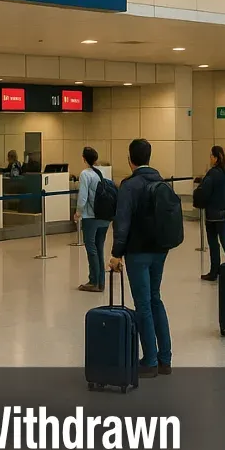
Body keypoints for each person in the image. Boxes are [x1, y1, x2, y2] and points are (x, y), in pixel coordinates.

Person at [108, 139, 171, 377]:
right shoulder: (160, 181)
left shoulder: (130, 185)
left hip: (138, 253)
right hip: (160, 250)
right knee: (155, 299)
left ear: (130, 159)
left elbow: (122, 223)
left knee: (143, 304)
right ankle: (165, 358)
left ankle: (150, 361)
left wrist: (116, 254)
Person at [197, 145, 225, 282]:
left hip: (213, 213)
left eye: (211, 156)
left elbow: (205, 191)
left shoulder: (213, 173)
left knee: (213, 242)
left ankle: (214, 271)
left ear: (215, 157)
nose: (210, 158)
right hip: (223, 212)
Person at [74, 146, 110, 293]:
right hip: (104, 217)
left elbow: (83, 197)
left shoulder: (85, 174)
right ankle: (101, 281)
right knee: (99, 248)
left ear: (84, 158)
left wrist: (78, 212)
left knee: (91, 248)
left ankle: (93, 281)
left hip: (91, 217)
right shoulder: (100, 173)